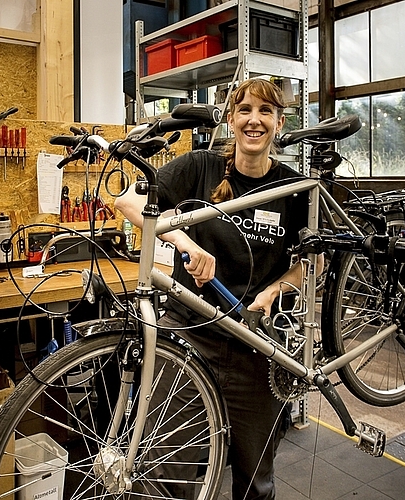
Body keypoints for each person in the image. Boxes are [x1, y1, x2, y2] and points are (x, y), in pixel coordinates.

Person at [115, 78, 315, 499]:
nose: (254, 120)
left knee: (255, 480)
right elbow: (128, 202)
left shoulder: (295, 188)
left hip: (256, 343)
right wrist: (183, 239)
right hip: (190, 333)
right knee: (168, 469)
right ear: (230, 118)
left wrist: (274, 291)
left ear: (279, 123)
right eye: (244, 110)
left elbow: (310, 262)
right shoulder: (199, 167)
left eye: (265, 112)